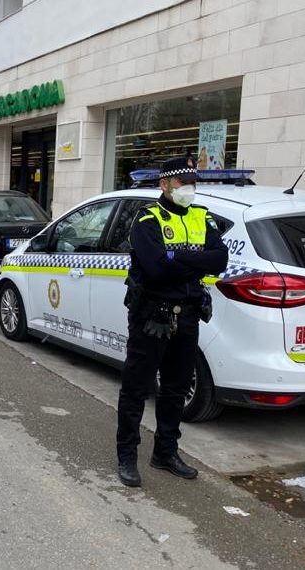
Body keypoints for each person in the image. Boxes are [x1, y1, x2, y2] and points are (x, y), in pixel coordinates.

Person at [116, 157, 228, 488]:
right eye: (182, 184)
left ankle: (165, 452)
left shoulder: (202, 216)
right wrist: (194, 263)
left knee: (176, 388)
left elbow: (219, 260)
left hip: (188, 313)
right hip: (151, 314)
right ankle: (126, 456)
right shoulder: (148, 219)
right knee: (137, 388)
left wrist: (175, 257)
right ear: (164, 185)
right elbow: (155, 270)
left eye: (192, 183)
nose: (188, 190)